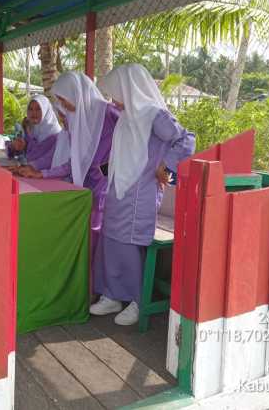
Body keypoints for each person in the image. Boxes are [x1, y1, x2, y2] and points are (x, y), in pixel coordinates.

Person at [91, 63, 196, 325]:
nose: (113, 99)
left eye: (116, 93)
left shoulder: (154, 114)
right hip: (120, 187)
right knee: (112, 240)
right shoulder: (129, 115)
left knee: (129, 243)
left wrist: (167, 166)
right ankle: (113, 295)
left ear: (129, 89)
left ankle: (137, 301)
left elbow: (186, 139)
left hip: (141, 191)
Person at [19, 71, 119, 234]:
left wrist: (105, 170)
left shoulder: (108, 113)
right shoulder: (77, 120)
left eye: (65, 101)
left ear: (76, 93)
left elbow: (131, 146)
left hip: (109, 191)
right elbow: (74, 163)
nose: (64, 107)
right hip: (87, 188)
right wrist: (41, 174)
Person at [7, 95, 62, 171]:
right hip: (29, 174)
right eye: (30, 109)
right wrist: (14, 146)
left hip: (47, 178)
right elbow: (14, 152)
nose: (33, 113)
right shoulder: (31, 127)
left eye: (38, 109)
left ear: (45, 110)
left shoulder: (55, 133)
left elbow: (46, 159)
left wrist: (26, 166)